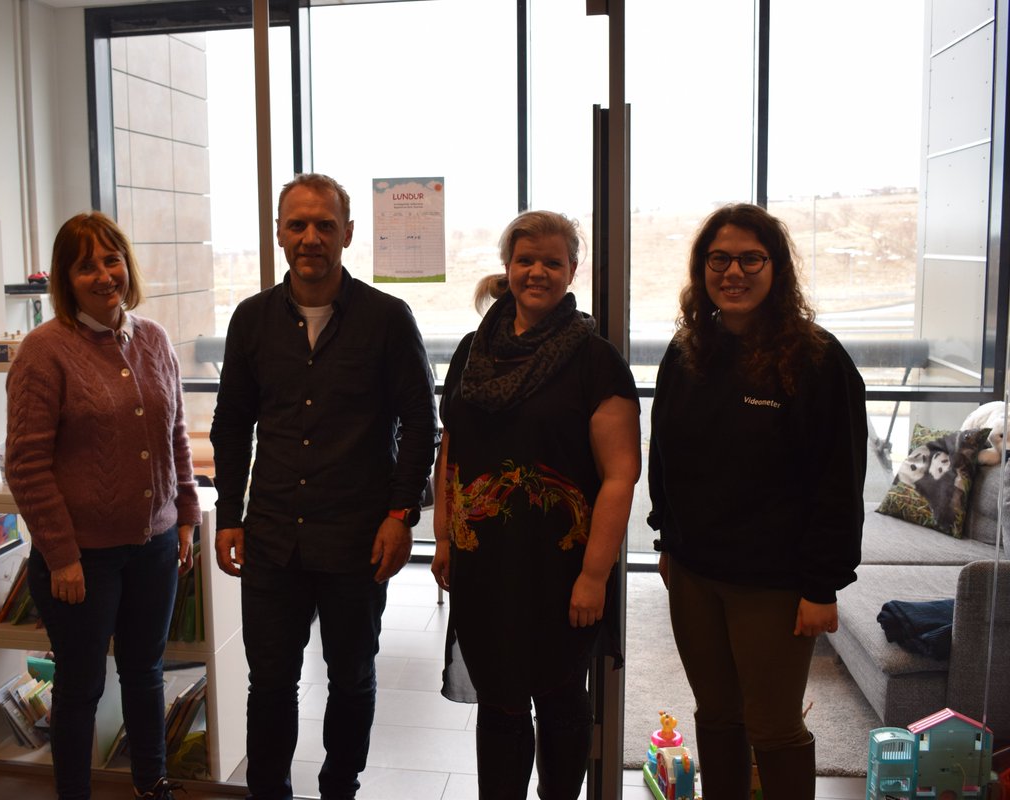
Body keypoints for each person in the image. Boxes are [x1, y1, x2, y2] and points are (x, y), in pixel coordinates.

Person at [209, 172, 437, 800]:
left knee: (353, 676)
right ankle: (269, 792)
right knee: (271, 683)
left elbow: (421, 422)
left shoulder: (388, 319)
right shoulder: (252, 320)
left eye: (325, 225)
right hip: (273, 534)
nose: (311, 238)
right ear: (280, 234)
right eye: (297, 225)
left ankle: (341, 787)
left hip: (357, 537)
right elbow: (231, 425)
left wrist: (401, 514)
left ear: (348, 233)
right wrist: (230, 515)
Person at [647, 203, 867, 800]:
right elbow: (663, 453)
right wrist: (666, 538)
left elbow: (839, 482)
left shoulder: (817, 361)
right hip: (694, 574)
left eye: (750, 258)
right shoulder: (688, 350)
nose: (733, 272)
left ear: (776, 269)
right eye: (719, 259)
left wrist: (823, 586)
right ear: (703, 268)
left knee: (771, 725)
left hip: (774, 583)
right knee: (716, 715)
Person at [430, 210, 641, 799]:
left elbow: (621, 475)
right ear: (508, 267)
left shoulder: (597, 362)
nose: (537, 272)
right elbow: (452, 448)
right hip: (486, 561)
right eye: (526, 260)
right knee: (498, 701)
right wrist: (444, 537)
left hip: (563, 566)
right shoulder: (474, 351)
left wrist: (596, 575)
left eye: (552, 261)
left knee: (558, 698)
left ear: (573, 270)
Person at [5, 211, 200, 800]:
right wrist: (61, 555)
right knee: (81, 687)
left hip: (155, 545)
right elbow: (26, 464)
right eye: (85, 265)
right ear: (66, 279)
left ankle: (152, 784)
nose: (103, 274)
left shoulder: (155, 339)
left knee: (145, 676)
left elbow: (176, 436)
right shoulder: (44, 352)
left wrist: (185, 515)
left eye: (111, 259)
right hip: (81, 560)